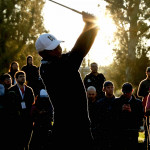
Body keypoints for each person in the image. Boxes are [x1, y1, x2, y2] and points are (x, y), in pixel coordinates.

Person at [35, 12, 98, 150]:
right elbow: (78, 52)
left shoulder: (57, 61)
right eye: (53, 49)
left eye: (58, 45)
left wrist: (93, 26)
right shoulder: (51, 69)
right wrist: (89, 24)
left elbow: (80, 50)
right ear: (42, 54)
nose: (59, 49)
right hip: (69, 127)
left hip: (77, 124)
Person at [6, 71, 35, 150]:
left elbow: (32, 102)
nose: (23, 78)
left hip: (28, 118)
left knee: (27, 140)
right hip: (17, 119)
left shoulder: (29, 89)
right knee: (18, 141)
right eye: (21, 76)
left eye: (24, 76)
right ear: (16, 78)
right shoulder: (11, 89)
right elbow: (9, 105)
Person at [114, 82, 144, 150]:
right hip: (121, 132)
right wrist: (121, 110)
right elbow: (113, 117)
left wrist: (131, 112)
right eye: (125, 92)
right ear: (122, 91)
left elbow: (141, 117)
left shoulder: (138, 103)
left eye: (128, 92)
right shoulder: (116, 102)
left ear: (132, 91)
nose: (126, 94)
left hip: (133, 132)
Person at [94, 81, 116, 150]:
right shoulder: (99, 103)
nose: (110, 89)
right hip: (103, 132)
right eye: (108, 87)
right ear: (104, 89)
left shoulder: (117, 102)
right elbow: (97, 119)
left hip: (114, 132)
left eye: (112, 87)